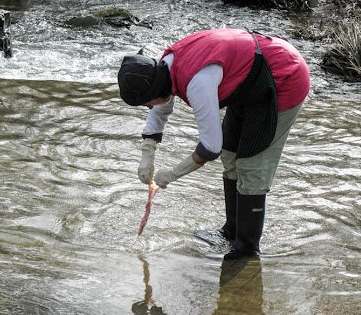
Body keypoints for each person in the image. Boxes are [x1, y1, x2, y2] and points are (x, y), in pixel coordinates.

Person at [117, 28, 310, 259]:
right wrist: (147, 155)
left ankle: (247, 250)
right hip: (246, 83)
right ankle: (231, 231)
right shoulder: (164, 68)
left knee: (252, 166)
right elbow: (160, 111)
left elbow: (210, 147)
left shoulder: (197, 81)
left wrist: (172, 174)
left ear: (155, 89)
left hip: (283, 77)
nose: (148, 107)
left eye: (146, 102)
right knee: (231, 156)